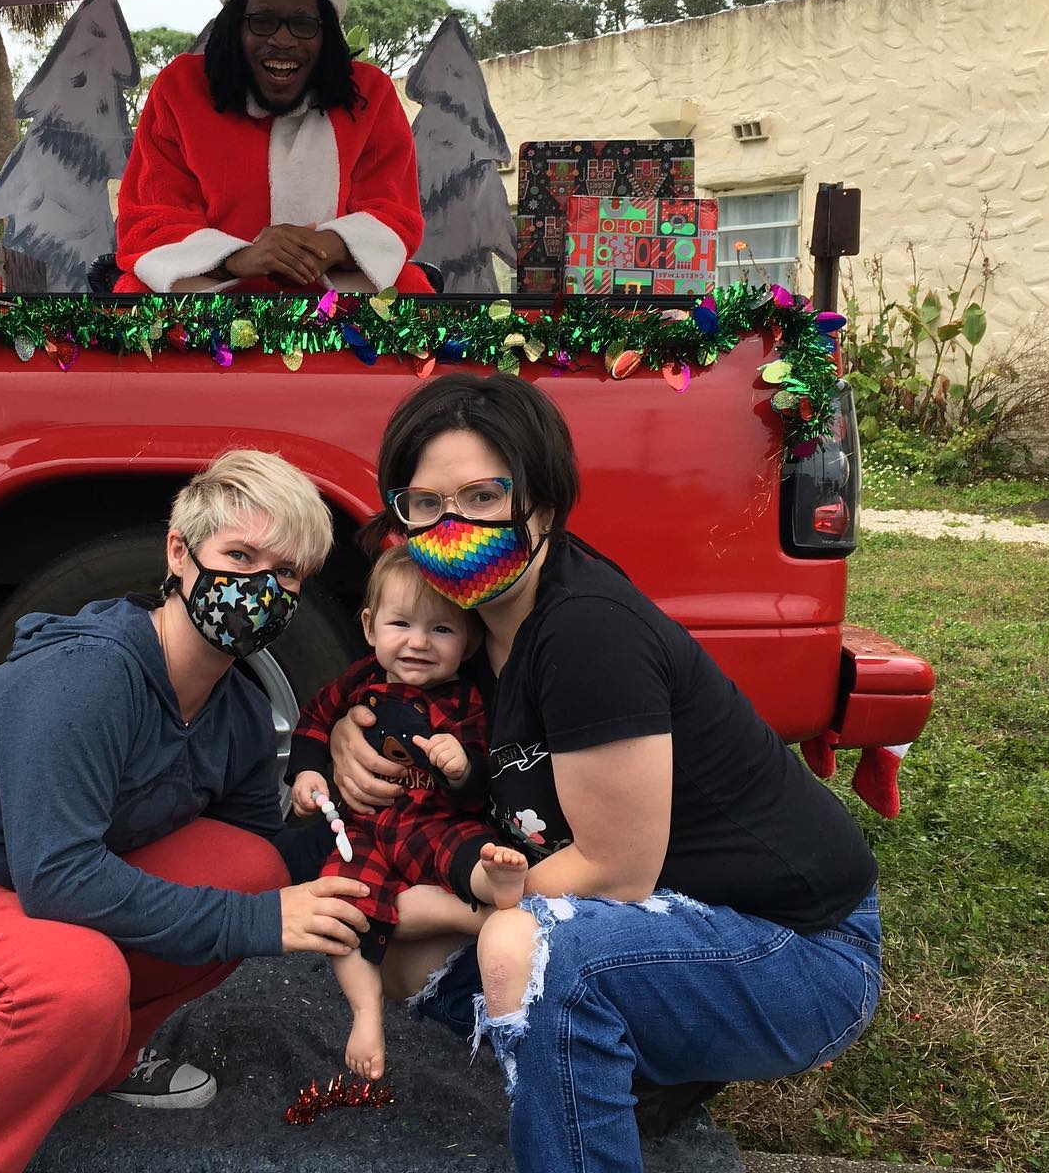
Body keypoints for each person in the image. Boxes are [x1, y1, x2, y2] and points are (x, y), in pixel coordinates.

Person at [326, 374, 883, 1173]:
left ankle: (611, 1090)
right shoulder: (476, 631)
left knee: (524, 950)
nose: (452, 528)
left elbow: (614, 873)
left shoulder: (585, 633)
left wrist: (453, 907)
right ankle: (638, 1060)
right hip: (672, 923)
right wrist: (351, 729)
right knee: (406, 955)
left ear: (542, 508)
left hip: (800, 949)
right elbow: (386, 700)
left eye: (484, 497)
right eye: (424, 504)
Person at [0, 450, 371, 1173]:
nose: (261, 588)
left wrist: (363, 815)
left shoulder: (235, 709)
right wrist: (263, 922)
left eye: (286, 573)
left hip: (17, 908)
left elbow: (255, 866)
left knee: (249, 867)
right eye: (240, 555)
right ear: (179, 551)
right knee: (75, 980)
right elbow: (59, 882)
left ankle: (95, 1057)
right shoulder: (86, 675)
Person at [286, 545, 528, 1081]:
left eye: (441, 630)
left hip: (432, 822)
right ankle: (366, 1014)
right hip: (365, 829)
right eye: (401, 624)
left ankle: (498, 888)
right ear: (371, 627)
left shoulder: (468, 701)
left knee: (467, 850)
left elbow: (481, 787)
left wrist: (462, 767)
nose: (418, 642)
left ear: (468, 641)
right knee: (346, 906)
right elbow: (313, 722)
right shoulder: (358, 682)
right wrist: (307, 773)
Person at [112, 0, 434, 297]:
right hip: (211, 299)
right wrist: (239, 258)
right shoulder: (180, 89)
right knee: (131, 297)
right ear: (235, 28)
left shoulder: (370, 93)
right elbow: (150, 219)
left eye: (303, 23)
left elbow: (393, 211)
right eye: (262, 21)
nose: (282, 39)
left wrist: (329, 245)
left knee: (413, 293)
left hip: (339, 301)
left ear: (326, 34)